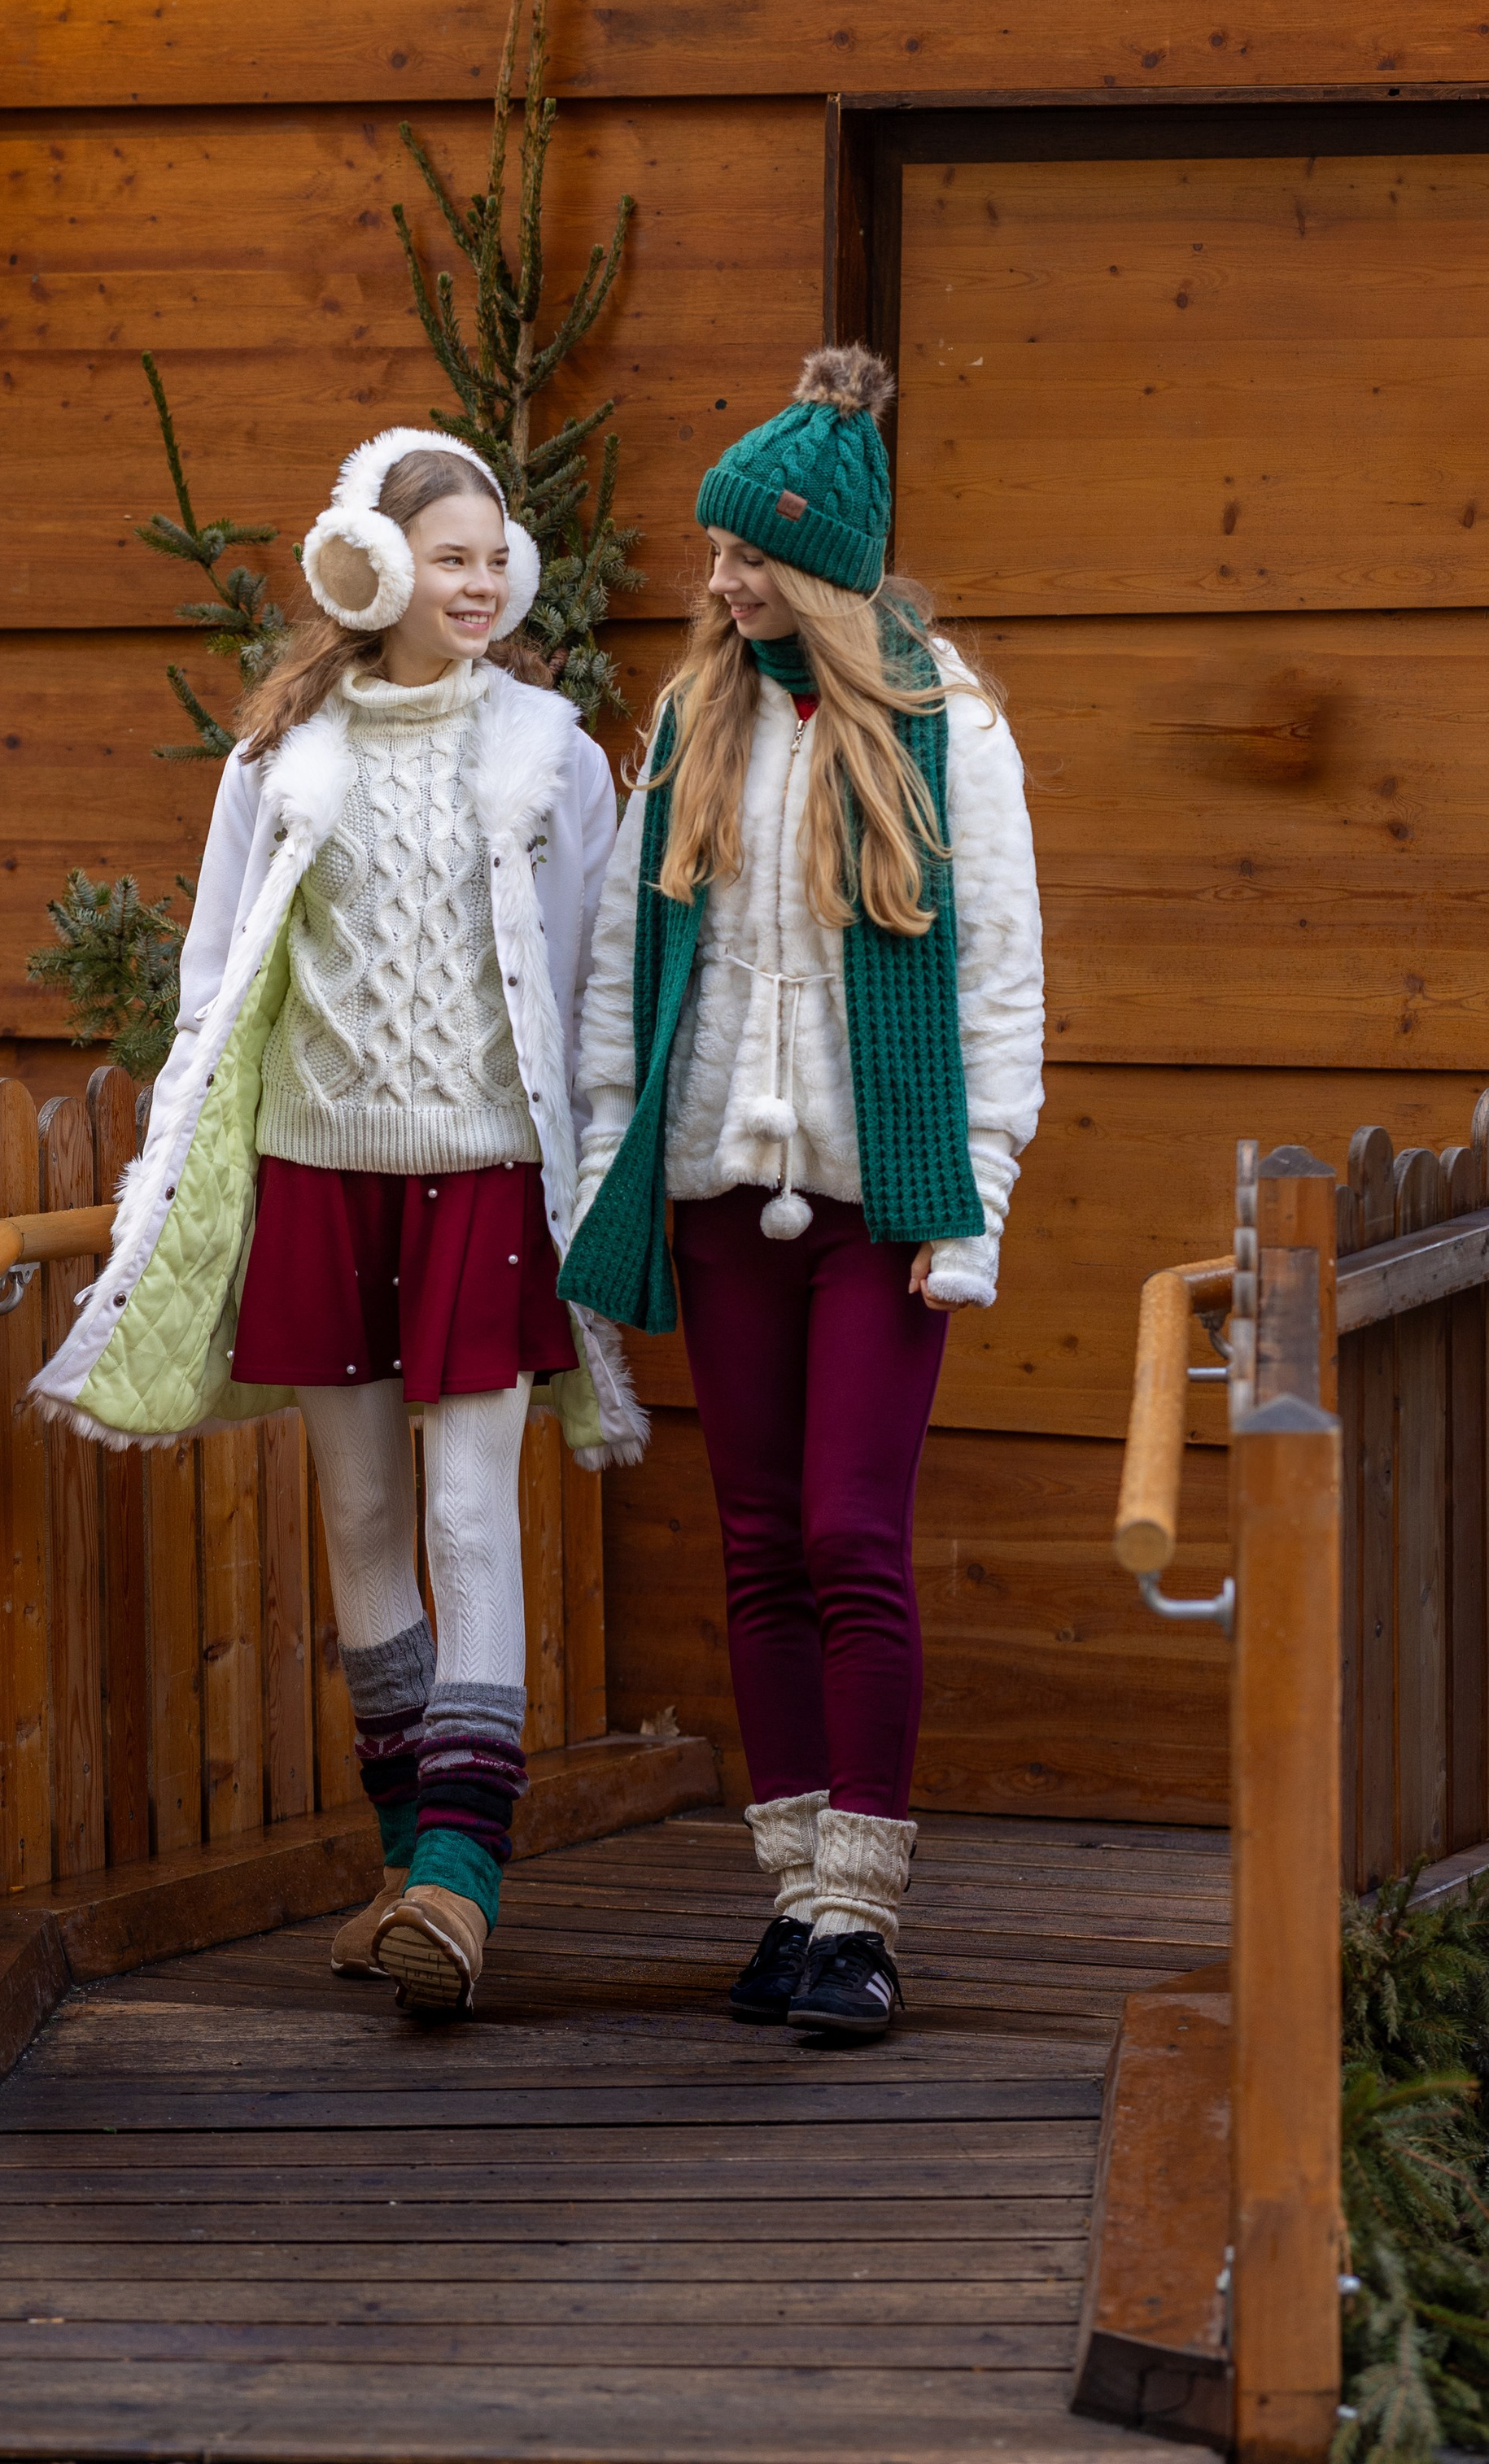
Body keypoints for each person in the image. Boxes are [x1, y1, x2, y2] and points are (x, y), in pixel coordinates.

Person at [31, 428, 636, 2014]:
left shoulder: (552, 757)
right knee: (363, 1521)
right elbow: (215, 974)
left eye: (495, 558)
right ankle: (402, 1865)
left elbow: (595, 977)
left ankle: (461, 1880)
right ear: (369, 566)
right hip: (315, 1172)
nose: (480, 583)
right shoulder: (281, 758)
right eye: (450, 558)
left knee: (466, 1515)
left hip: (485, 1176)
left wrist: (599, 1166)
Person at [561, 346, 1043, 2042]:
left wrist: (970, 1203)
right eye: (715, 550)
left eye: (746, 554)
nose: (718, 578)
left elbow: (997, 984)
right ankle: (789, 1898)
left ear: (822, 570)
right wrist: (611, 1156)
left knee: (850, 1532)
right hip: (718, 1192)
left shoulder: (945, 728)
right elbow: (624, 967)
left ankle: (861, 1910)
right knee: (757, 1540)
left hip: (877, 1200)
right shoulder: (690, 718)